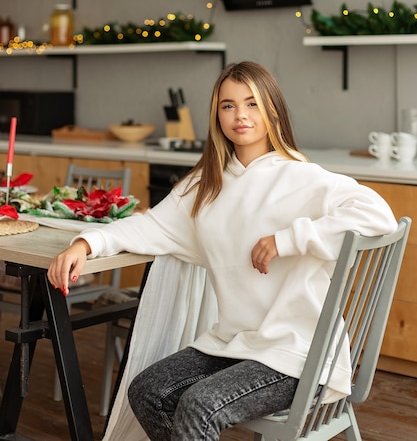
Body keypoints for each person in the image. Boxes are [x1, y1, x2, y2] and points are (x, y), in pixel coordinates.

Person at [48, 61, 397, 441]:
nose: (240, 115)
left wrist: (287, 240)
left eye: (252, 104)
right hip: (234, 342)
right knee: (147, 391)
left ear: (272, 111)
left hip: (298, 353)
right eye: (228, 105)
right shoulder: (206, 185)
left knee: (199, 406)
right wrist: (86, 243)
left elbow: (378, 214)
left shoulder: (300, 177)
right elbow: (149, 225)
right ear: (217, 115)